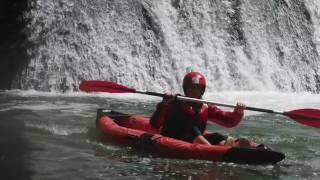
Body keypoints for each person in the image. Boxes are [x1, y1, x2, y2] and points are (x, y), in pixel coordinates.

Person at [150, 71, 250, 147]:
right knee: (191, 128)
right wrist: (164, 104)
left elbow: (228, 121)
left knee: (217, 136)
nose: (193, 91)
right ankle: (212, 150)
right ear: (185, 89)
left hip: (195, 140)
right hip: (175, 138)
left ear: (202, 90)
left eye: (197, 88)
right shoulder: (174, 102)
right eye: (190, 88)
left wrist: (238, 112)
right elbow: (155, 124)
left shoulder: (205, 106)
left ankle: (231, 146)